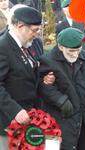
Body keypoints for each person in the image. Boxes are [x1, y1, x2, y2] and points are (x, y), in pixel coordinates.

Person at [0, 6, 54, 150]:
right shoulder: (2, 47)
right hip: (8, 124)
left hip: (32, 119)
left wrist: (44, 78)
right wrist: (15, 110)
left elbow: (27, 74)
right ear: (20, 26)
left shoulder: (27, 45)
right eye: (34, 30)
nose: (37, 34)